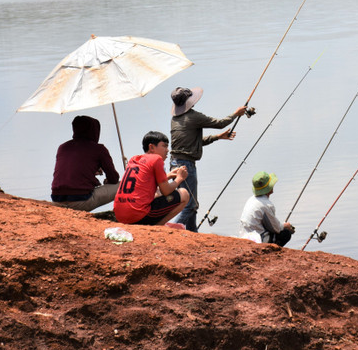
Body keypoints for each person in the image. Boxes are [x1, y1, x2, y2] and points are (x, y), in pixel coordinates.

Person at [169, 86, 247, 231]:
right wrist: (236, 114)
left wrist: (218, 137)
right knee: (189, 205)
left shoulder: (175, 119)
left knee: (189, 202)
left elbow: (191, 142)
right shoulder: (194, 117)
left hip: (175, 163)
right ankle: (170, 231)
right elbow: (220, 123)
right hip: (186, 165)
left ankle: (193, 233)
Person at [114, 131, 189, 226]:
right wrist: (179, 178)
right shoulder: (156, 159)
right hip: (138, 215)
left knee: (157, 192)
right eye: (164, 146)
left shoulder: (134, 159)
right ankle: (159, 226)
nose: (167, 150)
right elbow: (166, 191)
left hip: (120, 215)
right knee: (184, 194)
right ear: (151, 147)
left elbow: (145, 182)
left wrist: (169, 175)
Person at [50, 115, 120, 211]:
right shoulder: (99, 149)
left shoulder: (62, 147)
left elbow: (69, 174)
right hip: (80, 202)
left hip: (56, 201)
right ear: (94, 130)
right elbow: (114, 178)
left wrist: (91, 173)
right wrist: (107, 180)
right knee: (122, 185)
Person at [239, 171, 294, 246]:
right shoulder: (266, 205)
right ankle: (271, 253)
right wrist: (286, 226)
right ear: (269, 188)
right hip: (257, 240)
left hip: (244, 237)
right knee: (286, 234)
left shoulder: (251, 199)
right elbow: (276, 229)